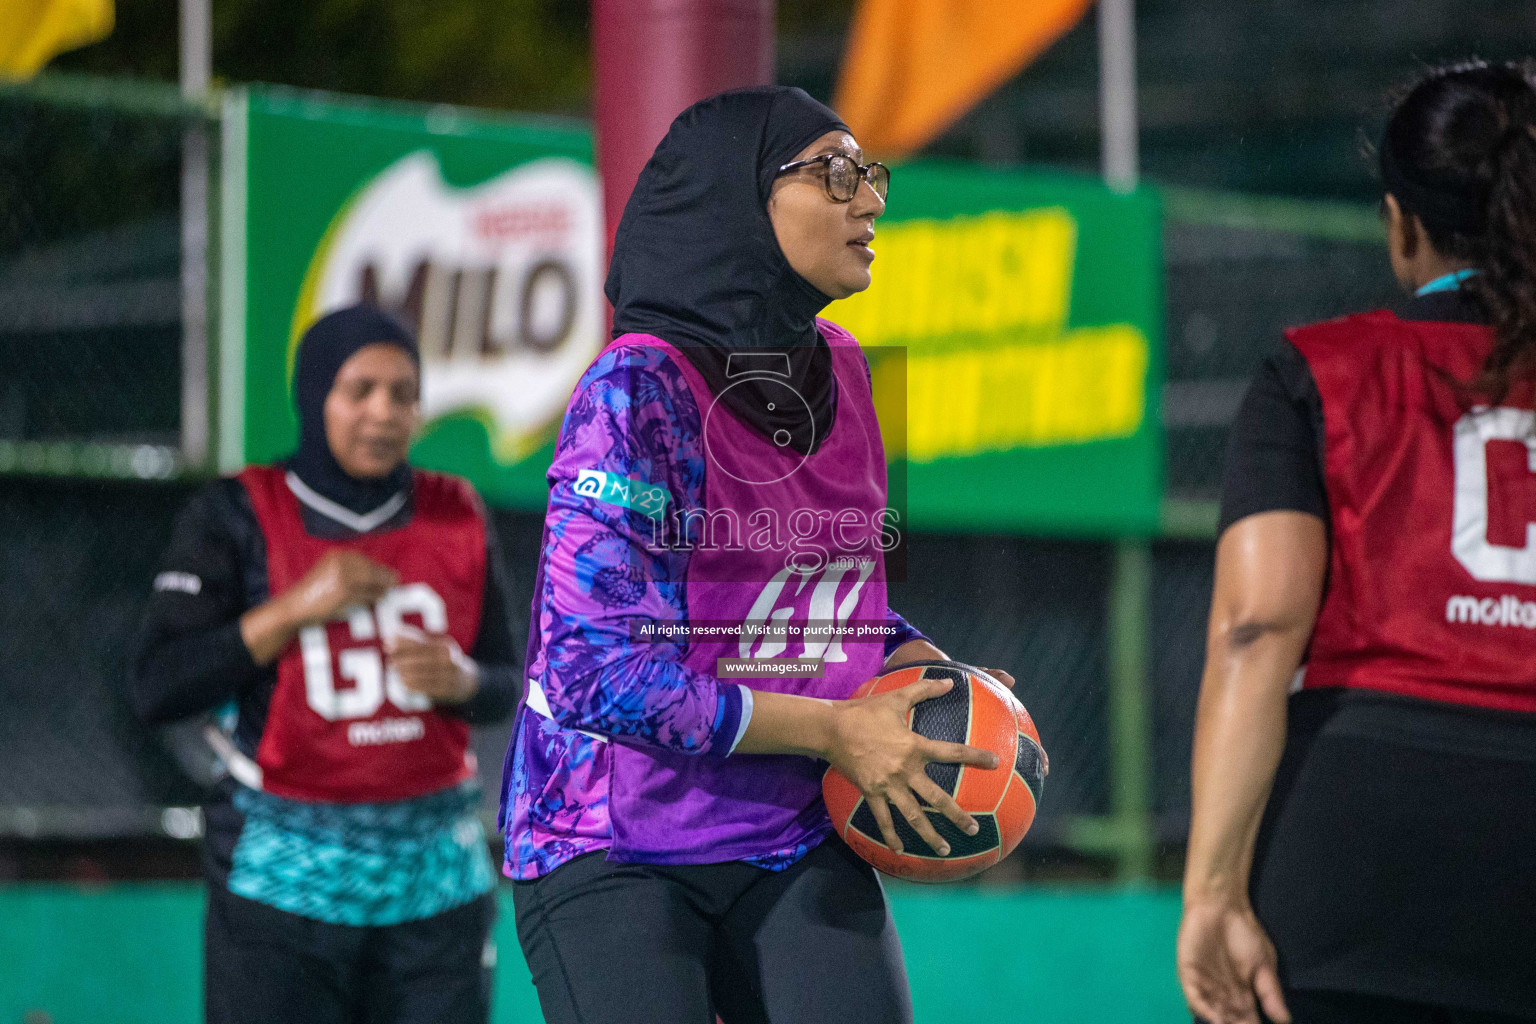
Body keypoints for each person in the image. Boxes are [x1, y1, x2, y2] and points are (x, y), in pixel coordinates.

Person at [501, 86, 1019, 1024]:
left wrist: (929, 675)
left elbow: (830, 609)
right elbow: (589, 671)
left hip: (786, 831)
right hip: (612, 839)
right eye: (834, 173)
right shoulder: (635, 389)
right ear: (736, 199)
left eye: (870, 175)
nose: (869, 200)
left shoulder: (856, 370)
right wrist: (833, 732)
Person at [1178, 61, 1536, 1024]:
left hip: (1360, 839)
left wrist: (1212, 892)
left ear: (1401, 221)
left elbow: (1255, 632)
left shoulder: (1319, 370)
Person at [130, 305, 521, 1024]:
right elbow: (158, 684)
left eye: (403, 394)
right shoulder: (237, 514)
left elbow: (507, 684)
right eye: (360, 390)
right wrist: (291, 610)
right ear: (315, 397)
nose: (384, 412)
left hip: (435, 880)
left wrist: (461, 680)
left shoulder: (456, 511)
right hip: (282, 881)